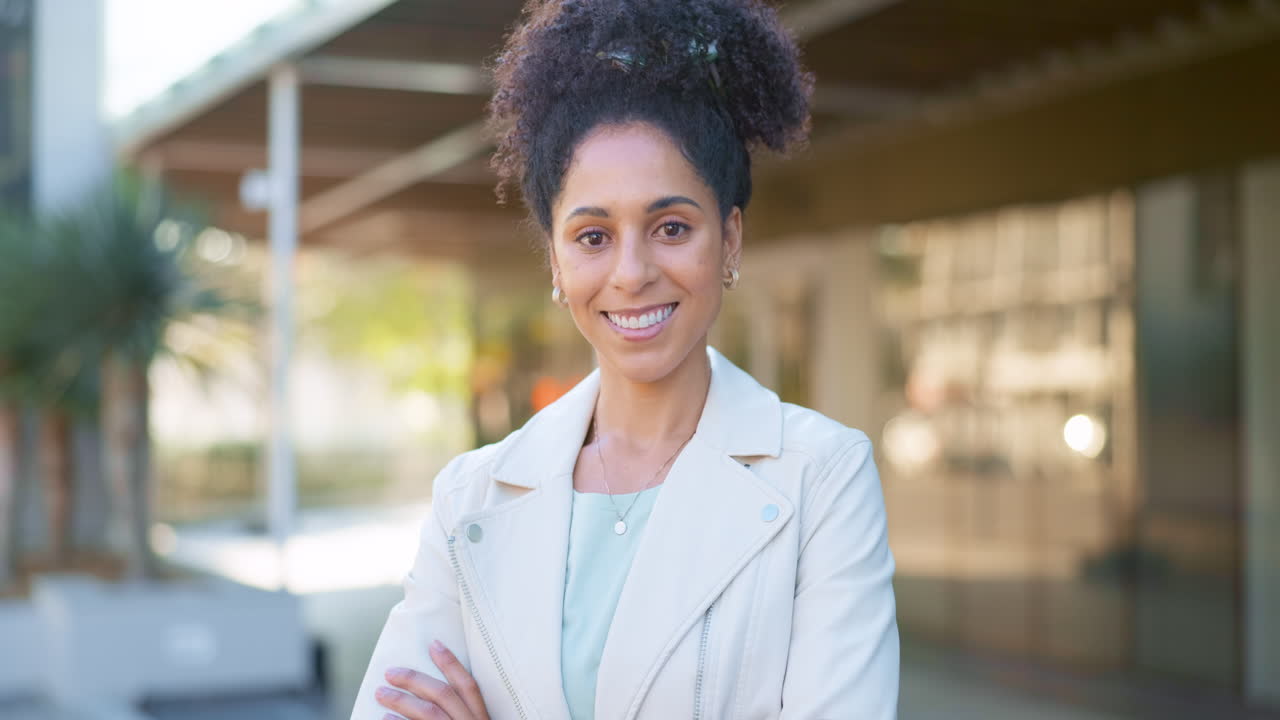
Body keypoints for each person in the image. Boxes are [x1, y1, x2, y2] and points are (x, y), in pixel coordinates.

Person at [351, 0, 899, 717]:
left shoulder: (823, 480)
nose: (632, 272)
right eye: (592, 236)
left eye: (671, 226)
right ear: (554, 258)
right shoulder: (471, 496)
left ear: (729, 240)